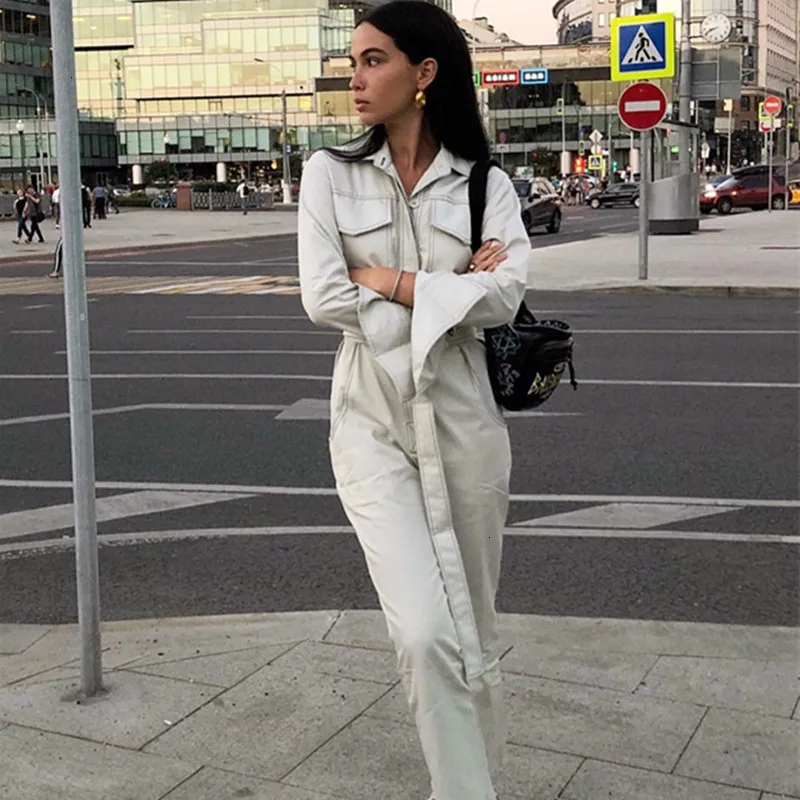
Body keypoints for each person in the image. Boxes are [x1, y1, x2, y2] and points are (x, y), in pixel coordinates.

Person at [297, 3, 531, 798]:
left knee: (472, 631)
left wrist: (390, 281)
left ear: (424, 73)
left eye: (374, 60)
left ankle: (469, 784)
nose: (356, 79)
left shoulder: (484, 183)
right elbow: (324, 297)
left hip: (464, 420)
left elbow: (506, 293)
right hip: (370, 417)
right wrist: (449, 289)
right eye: (353, 63)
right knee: (426, 630)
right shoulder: (328, 174)